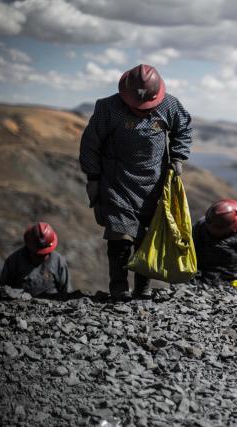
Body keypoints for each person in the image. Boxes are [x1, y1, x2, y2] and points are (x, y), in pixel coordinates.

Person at [79, 64, 192, 301]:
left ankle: (143, 289)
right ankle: (119, 288)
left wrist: (179, 157)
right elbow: (91, 144)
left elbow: (183, 130)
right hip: (116, 183)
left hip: (155, 186)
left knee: (147, 238)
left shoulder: (169, 106)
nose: (142, 110)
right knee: (119, 238)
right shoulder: (108, 108)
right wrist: (93, 178)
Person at [0, 222, 73, 297]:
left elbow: (67, 292)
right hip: (19, 304)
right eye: (37, 254)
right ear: (29, 247)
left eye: (44, 253)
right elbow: (1, 290)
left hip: (51, 305)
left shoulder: (58, 262)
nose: (41, 256)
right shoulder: (14, 261)